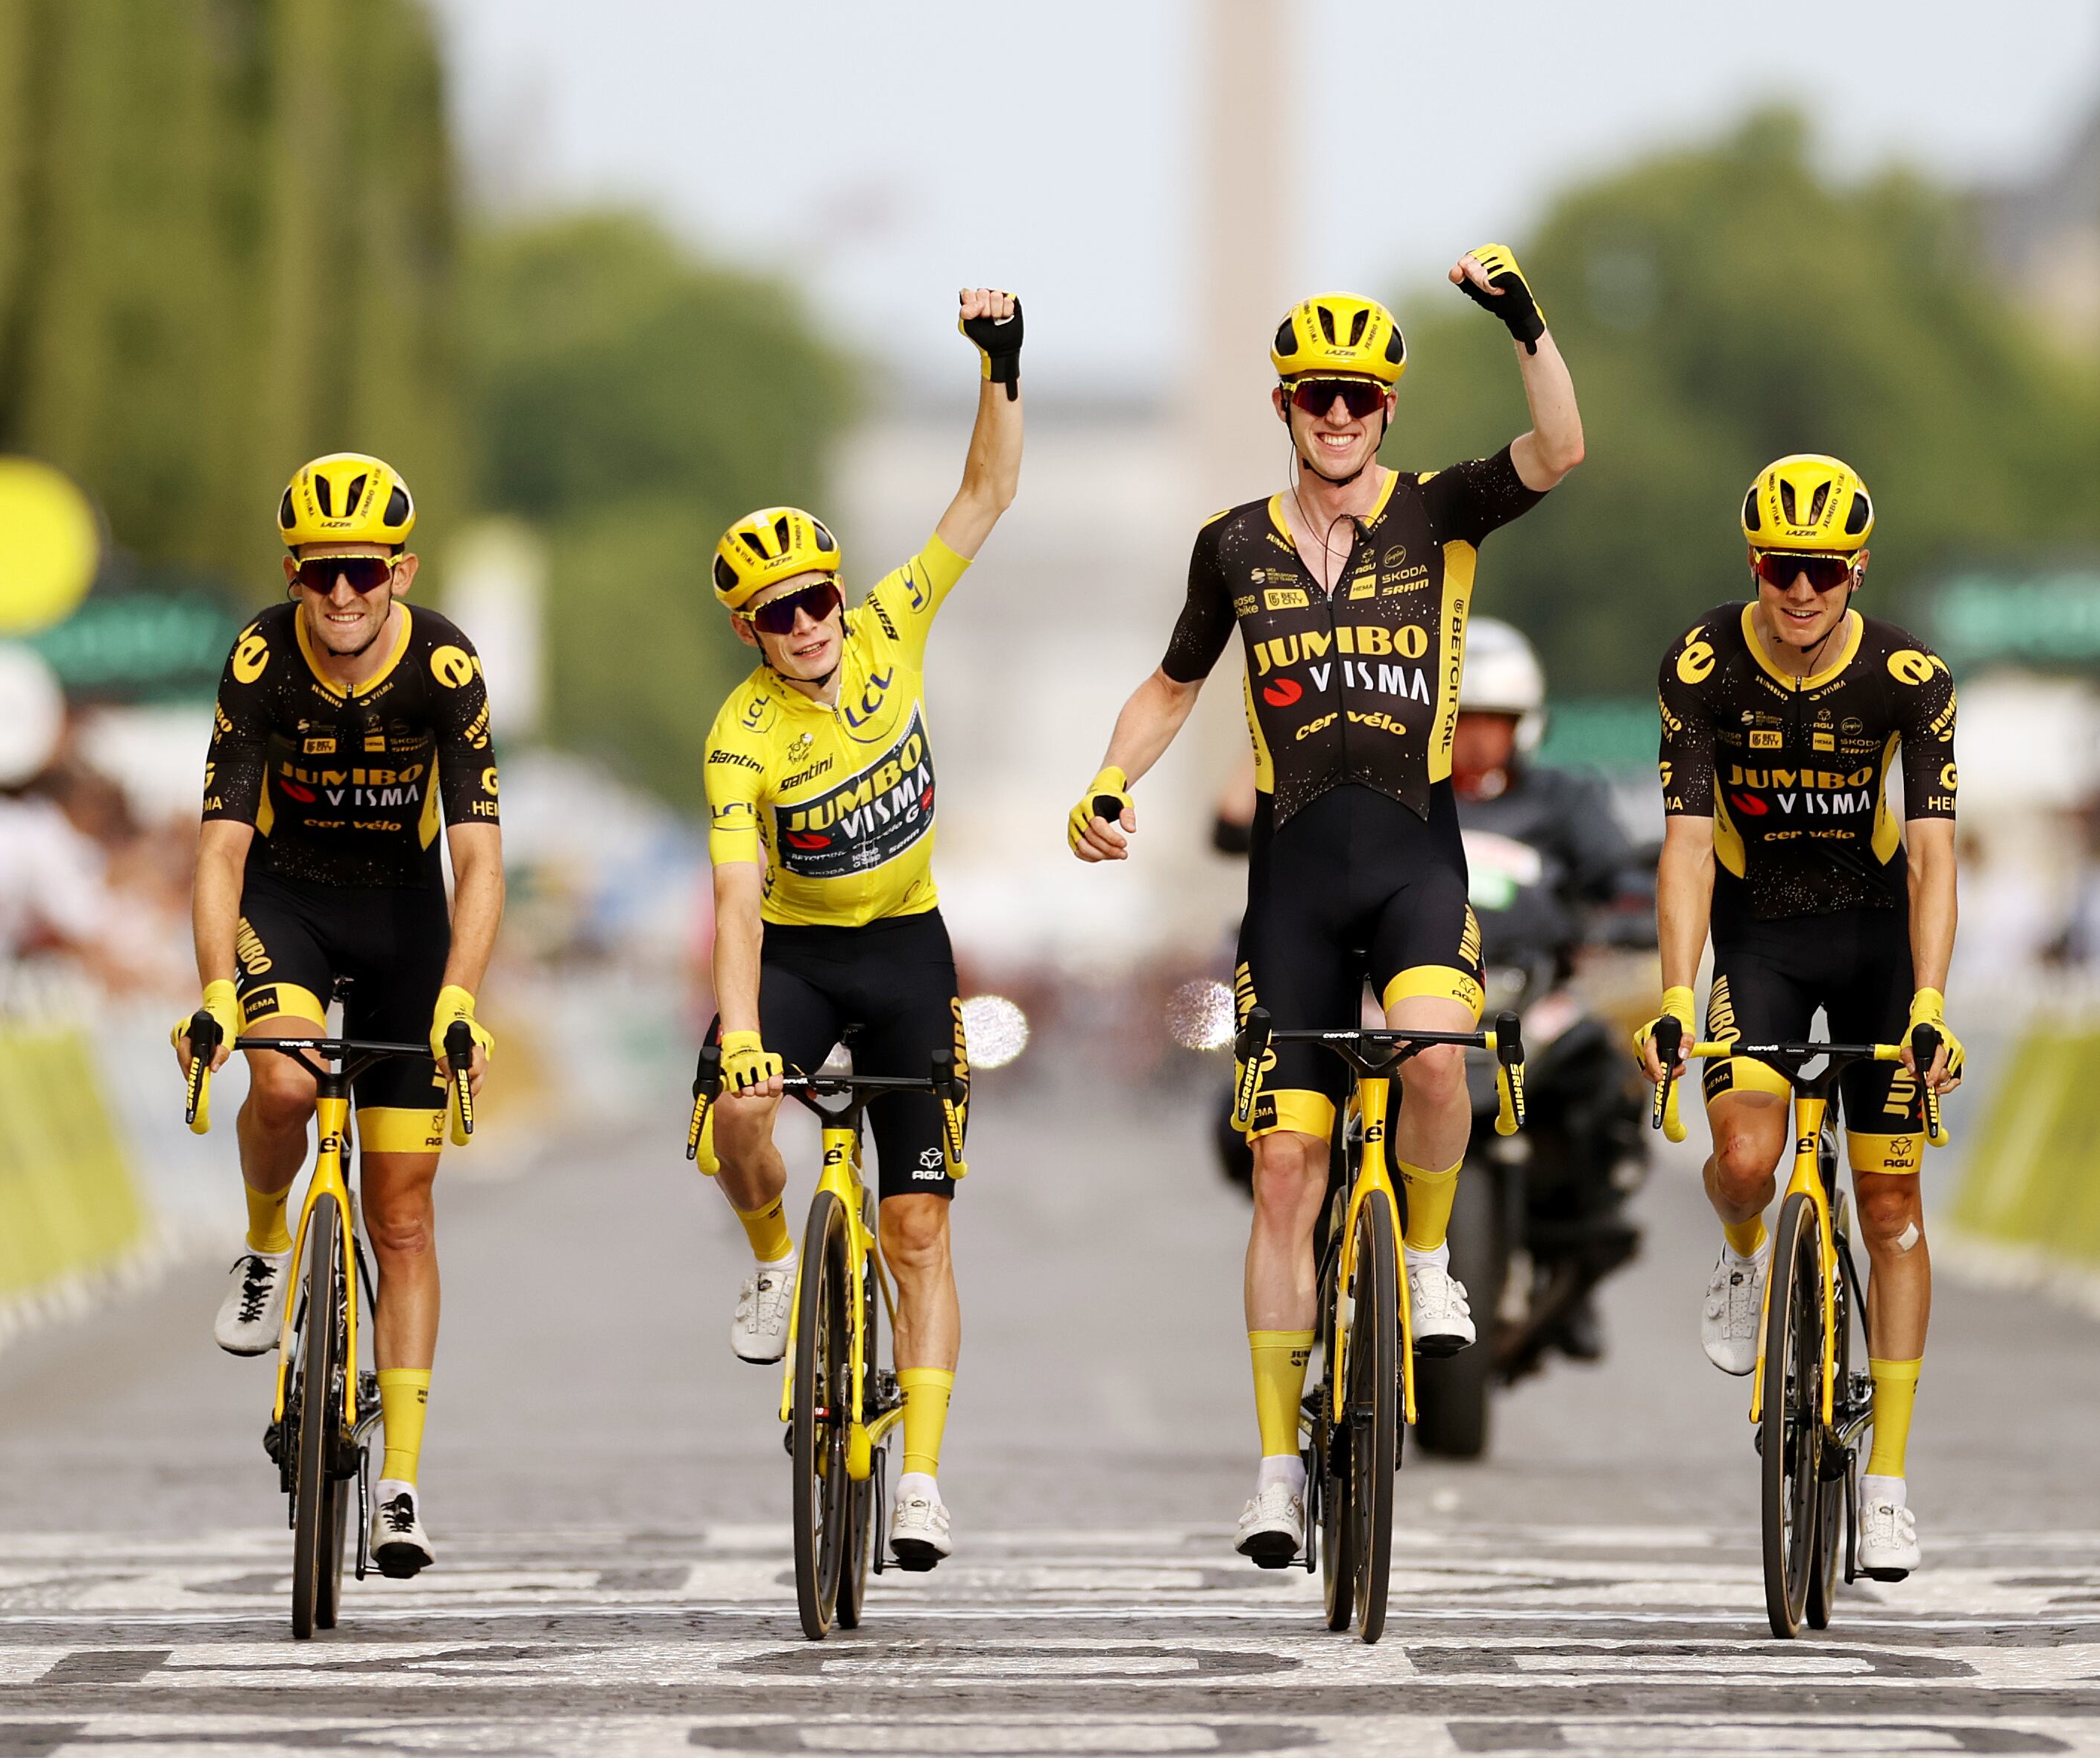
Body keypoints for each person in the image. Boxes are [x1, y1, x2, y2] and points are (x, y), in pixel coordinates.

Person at [1068, 251, 1586, 1566]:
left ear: (1390, 409)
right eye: (1315, 397)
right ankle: (1275, 1469)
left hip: (1415, 859)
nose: (1338, 415)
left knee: (1436, 1054)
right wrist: (1112, 778)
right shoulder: (1232, 544)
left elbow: (1562, 446)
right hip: (1293, 879)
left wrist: (1522, 320)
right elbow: (1175, 686)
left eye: (1359, 395)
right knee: (1286, 1167)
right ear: (1286, 408)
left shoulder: (1441, 514)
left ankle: (1422, 1261)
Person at [690, 290, 1024, 1574]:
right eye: (782, 613)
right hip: (798, 955)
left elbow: (986, 492)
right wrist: (735, 1038)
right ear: (750, 632)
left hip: (905, 947)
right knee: (735, 1117)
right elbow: (730, 896)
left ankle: (923, 1477)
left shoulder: (892, 623)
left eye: (819, 595)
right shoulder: (740, 733)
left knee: (918, 1228)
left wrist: (1001, 363)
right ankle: (777, 1258)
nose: (813, 622)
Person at [1634, 456, 1964, 1578]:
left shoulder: (1910, 676)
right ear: (1754, 565)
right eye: (1781, 568)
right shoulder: (1701, 664)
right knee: (1742, 1154)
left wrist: (1929, 1003)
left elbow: (1930, 854)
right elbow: (1683, 848)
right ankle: (1741, 1255)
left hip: (1875, 941)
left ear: (1856, 568)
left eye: (1823, 571)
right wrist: (1678, 992)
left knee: (1891, 1201)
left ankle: (1888, 1484)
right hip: (1760, 934)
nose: (1802, 591)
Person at [177, 454, 499, 1581]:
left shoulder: (447, 663)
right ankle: (268, 1240)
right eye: (322, 574)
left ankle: (403, 1478)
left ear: (401, 570)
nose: (344, 594)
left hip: (405, 919)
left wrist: (459, 994)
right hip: (290, 900)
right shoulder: (262, 657)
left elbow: (478, 855)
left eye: (364, 571)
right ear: (293, 575)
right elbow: (218, 847)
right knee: (283, 1080)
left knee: (400, 1215)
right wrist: (218, 986)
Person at [1440, 616, 1653, 1367]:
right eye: (1460, 721)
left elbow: (1622, 878)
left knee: (1602, 1079)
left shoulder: (1561, 799)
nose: (1474, 740)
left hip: (1531, 1004)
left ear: (1523, 726)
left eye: (1491, 723)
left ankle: (1574, 1266)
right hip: (1416, 1006)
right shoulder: (1402, 797)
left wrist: (1635, 913)